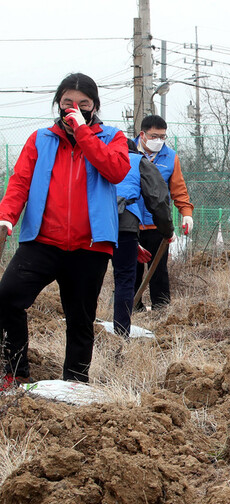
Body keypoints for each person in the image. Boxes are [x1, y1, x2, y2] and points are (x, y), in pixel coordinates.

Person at [0, 73, 129, 384]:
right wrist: (7, 216)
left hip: (90, 245)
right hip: (42, 241)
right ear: (58, 103)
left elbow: (116, 170)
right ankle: (16, 374)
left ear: (94, 106)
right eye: (68, 103)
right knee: (7, 298)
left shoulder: (112, 137)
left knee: (80, 319)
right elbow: (20, 181)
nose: (74, 108)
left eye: (83, 104)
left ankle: (74, 384)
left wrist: (84, 133)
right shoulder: (40, 139)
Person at [113, 139, 174, 338]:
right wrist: (167, 230)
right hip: (125, 223)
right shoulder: (139, 161)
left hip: (91, 223)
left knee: (88, 276)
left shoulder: (97, 158)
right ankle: (121, 333)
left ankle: (85, 323)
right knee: (124, 278)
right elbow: (158, 200)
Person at [133, 115, 194, 311]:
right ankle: (131, 308)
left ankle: (162, 308)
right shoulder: (125, 151)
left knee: (158, 270)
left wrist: (186, 213)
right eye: (154, 136)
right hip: (130, 222)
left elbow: (178, 189)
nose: (158, 141)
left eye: (162, 137)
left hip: (156, 224)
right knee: (130, 270)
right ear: (142, 135)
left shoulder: (170, 157)